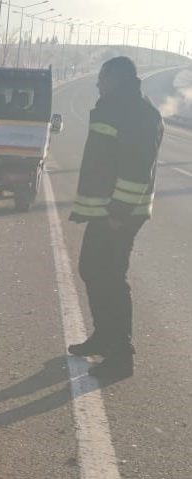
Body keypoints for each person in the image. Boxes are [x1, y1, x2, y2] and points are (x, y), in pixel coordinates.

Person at [68, 57, 162, 381]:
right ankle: (104, 337)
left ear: (116, 78)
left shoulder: (136, 112)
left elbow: (137, 168)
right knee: (92, 270)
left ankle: (120, 354)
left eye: (101, 78)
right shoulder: (121, 106)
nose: (97, 84)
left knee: (109, 277)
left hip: (119, 213)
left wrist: (118, 213)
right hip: (107, 210)